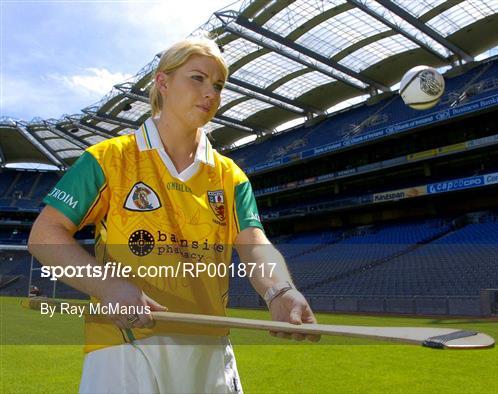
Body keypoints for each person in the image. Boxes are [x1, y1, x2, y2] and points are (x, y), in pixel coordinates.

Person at [28, 36, 319, 394]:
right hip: (124, 347)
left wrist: (279, 291)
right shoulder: (108, 158)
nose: (210, 92)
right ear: (162, 83)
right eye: (197, 78)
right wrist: (108, 286)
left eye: (218, 85)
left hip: (209, 352)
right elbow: (45, 234)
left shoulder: (231, 177)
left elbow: (254, 245)